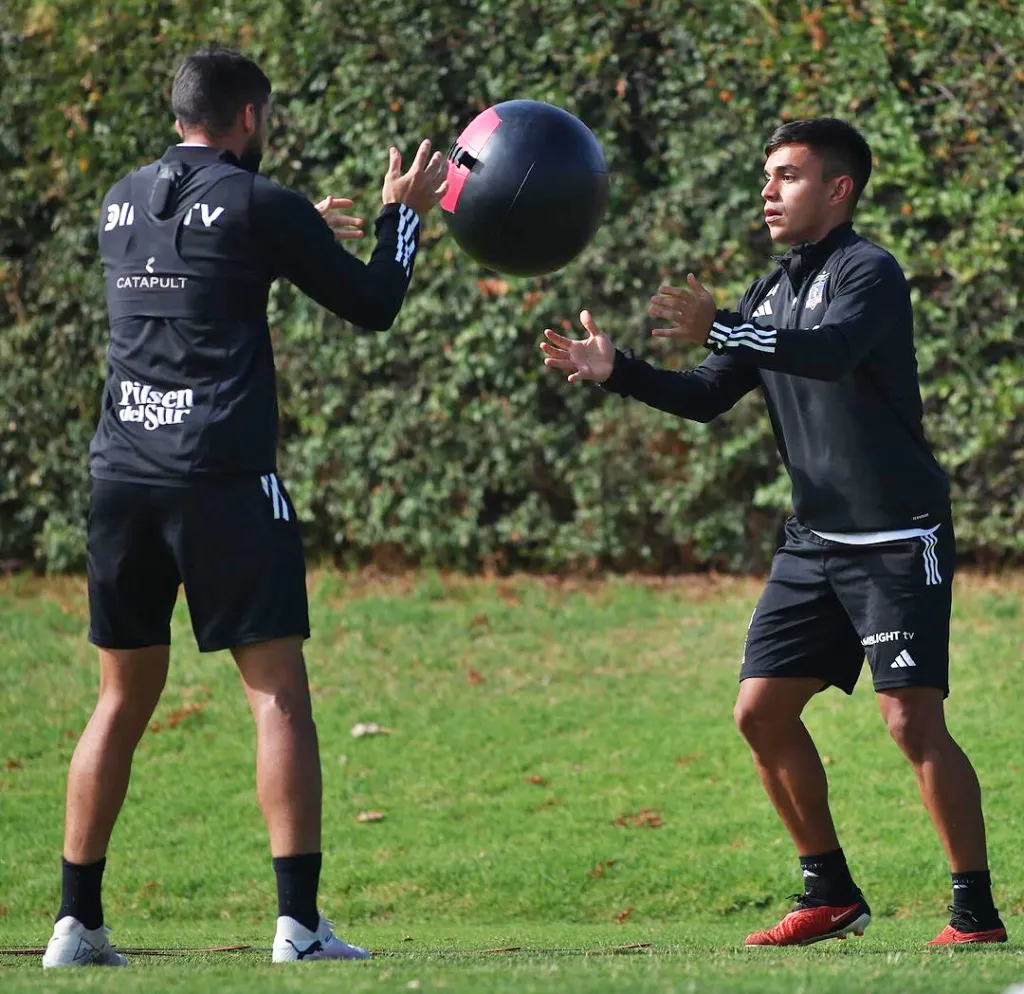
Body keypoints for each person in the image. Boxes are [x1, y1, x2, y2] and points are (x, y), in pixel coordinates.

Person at [539, 117, 1007, 947]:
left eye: (788, 176)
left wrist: (721, 325)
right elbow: (711, 394)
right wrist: (619, 372)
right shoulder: (768, 291)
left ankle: (974, 911)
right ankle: (829, 894)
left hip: (896, 536)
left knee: (910, 722)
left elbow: (828, 354)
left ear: (838, 188)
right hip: (814, 541)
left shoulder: (872, 272)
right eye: (767, 176)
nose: (769, 191)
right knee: (759, 713)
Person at [42, 46, 447, 968]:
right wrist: (400, 217)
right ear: (251, 118)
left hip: (121, 478)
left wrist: (296, 231)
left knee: (117, 701)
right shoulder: (263, 205)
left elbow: (208, 256)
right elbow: (375, 302)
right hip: (221, 479)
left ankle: (75, 925)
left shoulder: (119, 196)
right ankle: (298, 928)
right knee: (278, 699)